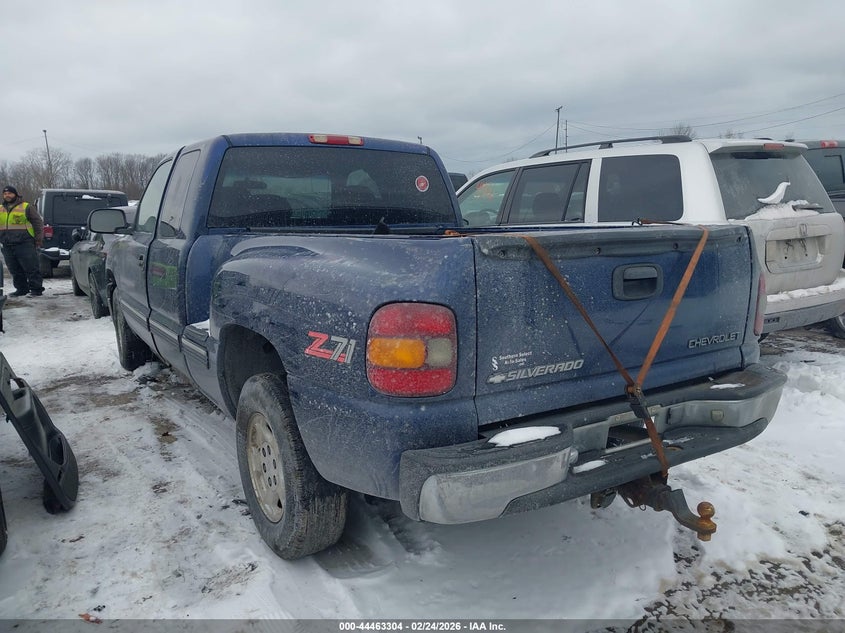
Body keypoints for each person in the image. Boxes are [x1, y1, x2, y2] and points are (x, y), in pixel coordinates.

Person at [1, 186, 44, 296]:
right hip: (7, 244)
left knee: (31, 267)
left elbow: (37, 222)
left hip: (24, 243)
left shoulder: (26, 207)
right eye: (5, 194)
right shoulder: (0, 208)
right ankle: (21, 289)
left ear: (15, 194)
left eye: (9, 193)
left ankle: (36, 289)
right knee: (14, 269)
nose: (7, 196)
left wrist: (38, 239)